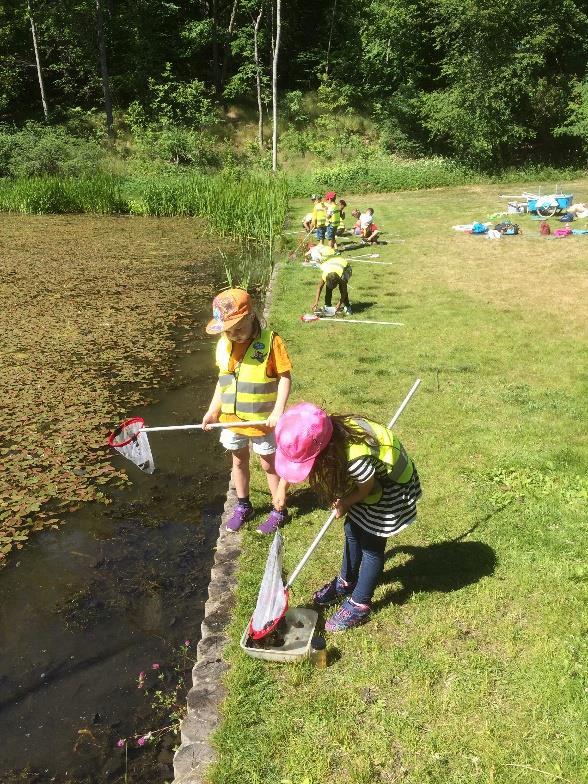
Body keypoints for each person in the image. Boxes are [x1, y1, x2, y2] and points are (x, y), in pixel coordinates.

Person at [273, 403, 422, 631]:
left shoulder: (355, 458)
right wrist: (282, 486)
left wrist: (345, 502)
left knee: (372, 545)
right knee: (353, 529)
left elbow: (365, 488)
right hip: (368, 487)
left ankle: (360, 602)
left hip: (390, 489)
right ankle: (347, 581)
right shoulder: (325, 432)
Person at [202, 288, 292, 534]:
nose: (234, 335)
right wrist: (212, 411)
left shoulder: (272, 342)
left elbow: (285, 378)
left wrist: (278, 410)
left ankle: (278, 510)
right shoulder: (225, 344)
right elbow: (223, 381)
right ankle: (243, 506)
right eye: (228, 331)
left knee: (268, 464)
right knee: (238, 460)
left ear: (252, 316)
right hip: (231, 420)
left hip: (263, 420)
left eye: (238, 328)